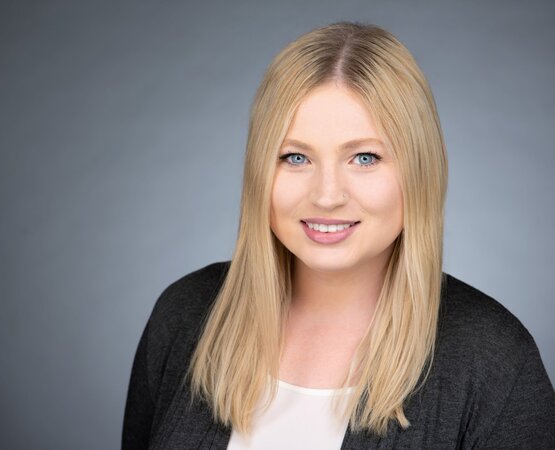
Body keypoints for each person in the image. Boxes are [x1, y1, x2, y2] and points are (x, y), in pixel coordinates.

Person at [122, 22, 555, 449]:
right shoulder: (184, 316)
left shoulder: (495, 359)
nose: (327, 196)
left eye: (364, 157)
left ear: (422, 168)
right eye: (295, 157)